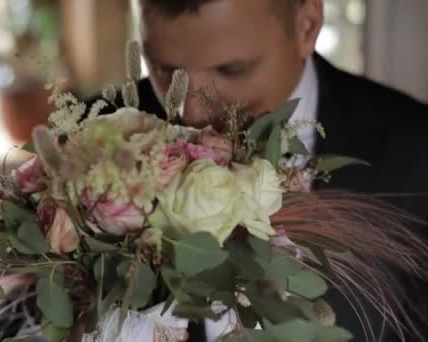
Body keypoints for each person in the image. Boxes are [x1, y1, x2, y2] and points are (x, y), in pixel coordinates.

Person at [114, 0, 427, 341]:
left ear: (307, 25)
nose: (191, 112)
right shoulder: (91, 146)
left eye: (231, 69)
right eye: (164, 69)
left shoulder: (415, 149)